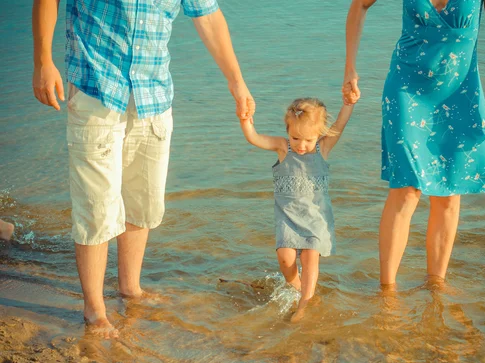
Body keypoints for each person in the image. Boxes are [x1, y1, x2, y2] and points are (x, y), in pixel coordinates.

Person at [32, 0, 255, 337]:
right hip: (97, 88)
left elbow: (208, 17)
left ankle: (130, 289)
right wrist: (43, 61)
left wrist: (236, 81)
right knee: (97, 205)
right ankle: (94, 310)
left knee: (143, 200)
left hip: (153, 94)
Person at [343, 0, 485, 288]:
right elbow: (360, 5)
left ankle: (436, 287)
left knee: (448, 193)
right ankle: (387, 293)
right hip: (406, 88)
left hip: (460, 91)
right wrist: (350, 67)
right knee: (406, 189)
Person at [240, 98, 354, 321]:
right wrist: (245, 120)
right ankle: (299, 288)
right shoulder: (283, 148)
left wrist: (348, 104)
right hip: (287, 217)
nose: (301, 145)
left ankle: (305, 302)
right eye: (295, 138)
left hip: (316, 218)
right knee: (285, 259)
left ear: (319, 134)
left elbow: (340, 124)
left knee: (311, 256)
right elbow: (254, 138)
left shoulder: (323, 148)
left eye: (308, 140)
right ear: (287, 130)